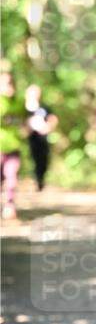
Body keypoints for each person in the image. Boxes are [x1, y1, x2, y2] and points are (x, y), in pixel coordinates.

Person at [1, 69, 25, 221]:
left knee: (12, 176)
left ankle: (10, 206)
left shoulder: (19, 102)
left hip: (14, 147)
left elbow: (24, 120)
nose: (8, 86)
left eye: (10, 82)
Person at [24, 84, 58, 191]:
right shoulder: (24, 108)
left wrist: (48, 127)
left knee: (43, 160)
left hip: (42, 138)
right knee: (32, 158)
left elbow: (53, 119)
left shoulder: (44, 108)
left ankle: (40, 180)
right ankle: (35, 178)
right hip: (30, 138)